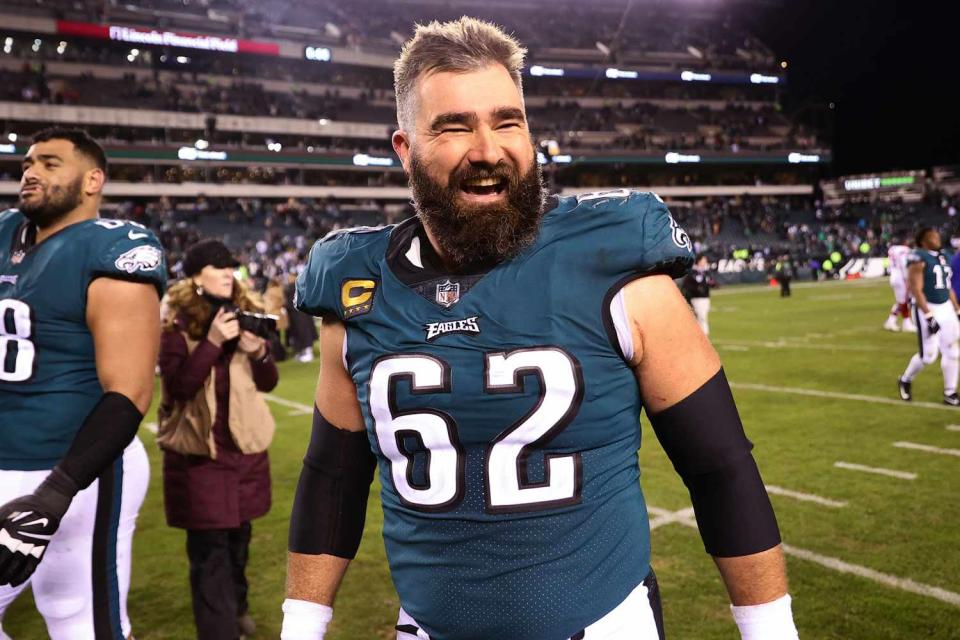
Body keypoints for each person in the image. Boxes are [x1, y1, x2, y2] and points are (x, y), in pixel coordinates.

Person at [281, 17, 797, 640]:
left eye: (507, 121)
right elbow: (332, 478)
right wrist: (300, 628)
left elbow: (721, 468)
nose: (487, 149)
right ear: (405, 148)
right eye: (454, 126)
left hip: (602, 622)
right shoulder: (356, 289)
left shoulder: (616, 270)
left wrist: (771, 631)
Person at [0, 128, 165, 639]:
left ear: (93, 180)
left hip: (75, 467)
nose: (30, 172)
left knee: (78, 619)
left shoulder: (114, 247)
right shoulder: (5, 232)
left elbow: (130, 391)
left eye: (50, 163)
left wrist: (57, 493)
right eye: (28, 162)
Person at [156, 239, 278, 640]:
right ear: (194, 275)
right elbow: (177, 387)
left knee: (239, 543)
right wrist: (210, 343)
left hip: (242, 451)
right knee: (209, 553)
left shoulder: (243, 314)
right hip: (200, 454)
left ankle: (237, 607)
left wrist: (258, 351)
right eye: (217, 266)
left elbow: (269, 381)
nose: (228, 273)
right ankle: (220, 631)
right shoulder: (176, 322)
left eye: (230, 266)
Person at [897, 228, 960, 406]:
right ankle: (905, 379)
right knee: (929, 356)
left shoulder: (944, 256)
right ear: (923, 240)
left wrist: (957, 310)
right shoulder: (918, 257)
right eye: (932, 236)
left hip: (946, 306)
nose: (937, 238)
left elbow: (947, 287)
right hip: (928, 306)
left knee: (953, 351)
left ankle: (950, 393)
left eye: (937, 235)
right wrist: (928, 315)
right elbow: (916, 288)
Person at [885, 238, 916, 332]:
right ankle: (906, 323)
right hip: (902, 277)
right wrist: (908, 278)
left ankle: (891, 321)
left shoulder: (892, 249)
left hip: (893, 275)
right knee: (905, 301)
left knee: (902, 301)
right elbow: (904, 264)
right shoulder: (905, 250)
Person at [682, 253, 717, 335]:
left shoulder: (706, 272)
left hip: (706, 298)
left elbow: (712, 282)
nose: (705, 261)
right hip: (696, 298)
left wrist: (712, 284)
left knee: (701, 318)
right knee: (702, 318)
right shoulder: (693, 272)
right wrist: (697, 289)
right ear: (699, 261)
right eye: (703, 260)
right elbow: (687, 285)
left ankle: (698, 336)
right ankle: (704, 337)